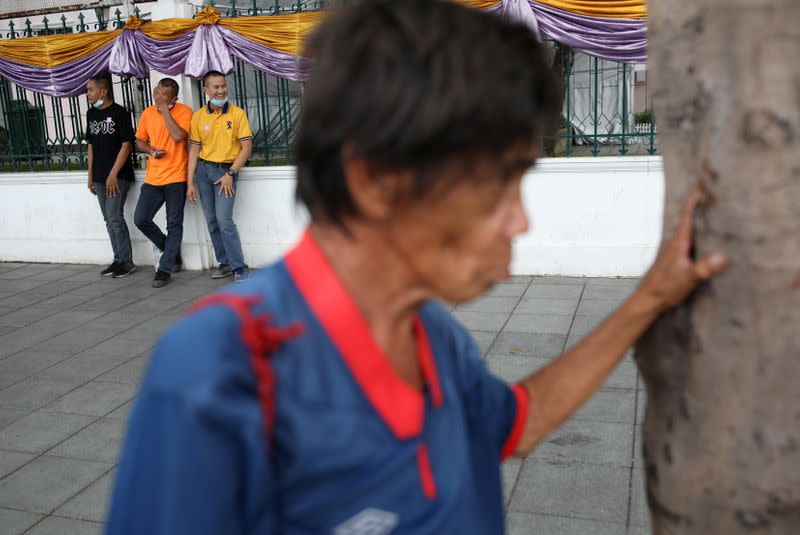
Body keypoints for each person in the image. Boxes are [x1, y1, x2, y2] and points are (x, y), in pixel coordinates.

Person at [106, 1, 728, 534]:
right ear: (374, 180)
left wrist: (651, 297)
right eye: (495, 183)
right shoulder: (221, 373)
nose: (520, 222)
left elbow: (521, 421)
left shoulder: (435, 342)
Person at [186, 70, 254, 282]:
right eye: (215, 87)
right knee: (212, 219)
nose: (221, 90)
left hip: (226, 172)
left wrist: (231, 173)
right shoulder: (198, 117)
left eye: (223, 85)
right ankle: (224, 263)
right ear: (206, 90)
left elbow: (246, 148)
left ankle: (239, 267)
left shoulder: (237, 114)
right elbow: (194, 150)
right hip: (204, 172)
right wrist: (190, 182)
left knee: (224, 220)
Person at [133, 78, 192, 288]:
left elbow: (178, 136)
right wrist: (150, 150)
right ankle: (171, 251)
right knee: (140, 218)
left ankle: (164, 270)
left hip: (176, 177)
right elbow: (140, 140)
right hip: (153, 178)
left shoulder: (184, 111)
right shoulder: (148, 113)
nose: (156, 96)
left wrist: (164, 109)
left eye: (162, 95)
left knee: (174, 224)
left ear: (174, 98)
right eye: (156, 91)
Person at [85, 75, 136, 278]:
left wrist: (113, 174)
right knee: (108, 219)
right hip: (99, 176)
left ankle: (127, 261)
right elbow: (91, 146)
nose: (88, 93)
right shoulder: (91, 114)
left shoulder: (120, 113)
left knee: (115, 217)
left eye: (90, 90)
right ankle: (117, 259)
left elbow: (127, 145)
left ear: (103, 91)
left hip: (117, 176)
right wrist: (90, 176)